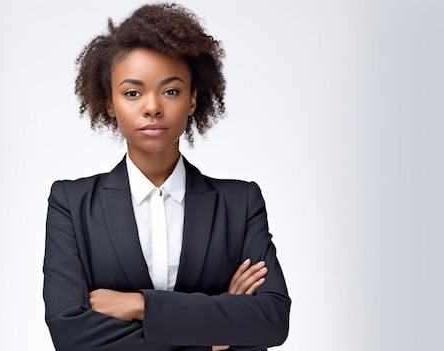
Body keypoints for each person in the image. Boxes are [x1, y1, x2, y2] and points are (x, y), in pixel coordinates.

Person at [43, 3, 290, 350]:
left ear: (192, 99)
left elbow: (271, 322)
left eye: (170, 91)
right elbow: (71, 335)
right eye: (132, 92)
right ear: (110, 103)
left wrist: (140, 305)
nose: (152, 106)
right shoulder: (73, 204)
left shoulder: (240, 204)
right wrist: (215, 338)